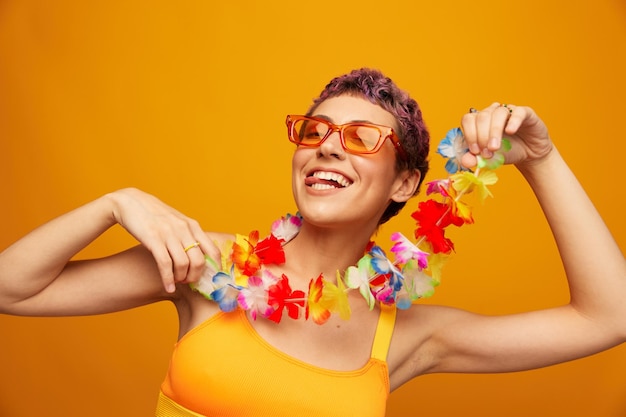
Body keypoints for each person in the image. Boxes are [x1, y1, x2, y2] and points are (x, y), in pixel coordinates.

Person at [0, 68, 624, 417]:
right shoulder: (204, 263)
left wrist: (540, 158)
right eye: (318, 130)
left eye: (360, 138)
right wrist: (114, 204)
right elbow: (11, 289)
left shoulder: (406, 337)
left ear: (406, 181)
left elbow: (609, 317)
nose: (327, 144)